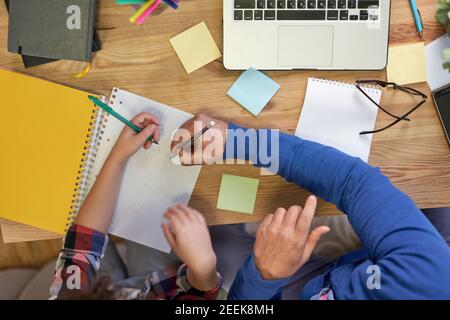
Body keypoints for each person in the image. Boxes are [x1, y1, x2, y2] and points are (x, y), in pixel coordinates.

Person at [173, 113, 450, 300]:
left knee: (219, 241)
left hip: (299, 286)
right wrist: (236, 140)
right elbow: (352, 182)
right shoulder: (433, 274)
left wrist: (265, 275)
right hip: (370, 264)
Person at [49, 113, 221, 300]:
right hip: (161, 286)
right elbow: (201, 294)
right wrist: (204, 266)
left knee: (131, 216)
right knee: (152, 217)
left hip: (111, 289)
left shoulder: (71, 294)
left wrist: (119, 156)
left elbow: (82, 243)